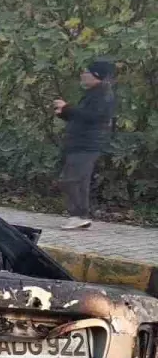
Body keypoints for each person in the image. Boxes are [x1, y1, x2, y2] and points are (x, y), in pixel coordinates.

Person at [54, 59, 116, 230]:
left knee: (71, 180)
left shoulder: (103, 94)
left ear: (96, 76)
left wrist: (67, 108)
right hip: (80, 142)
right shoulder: (93, 93)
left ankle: (78, 214)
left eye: (86, 72)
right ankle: (79, 216)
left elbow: (93, 117)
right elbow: (82, 117)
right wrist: (64, 113)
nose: (83, 75)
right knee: (77, 180)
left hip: (87, 144)